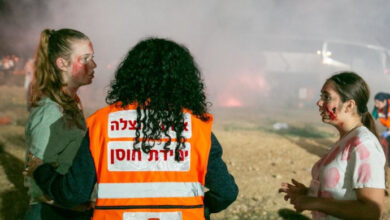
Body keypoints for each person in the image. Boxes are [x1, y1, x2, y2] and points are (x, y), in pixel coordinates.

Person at [28, 37, 238, 220]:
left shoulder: (102, 124)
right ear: (185, 80)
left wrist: (41, 170)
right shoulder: (197, 128)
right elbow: (227, 192)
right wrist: (203, 207)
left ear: (130, 75)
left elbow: (73, 193)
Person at [279, 72, 386, 219]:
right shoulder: (347, 139)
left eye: (326, 97)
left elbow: (371, 211)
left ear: (349, 105)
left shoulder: (363, 144)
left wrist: (315, 202)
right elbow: (342, 193)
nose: (319, 102)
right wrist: (307, 194)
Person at [24, 28, 97, 220]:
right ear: (62, 63)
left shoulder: (73, 104)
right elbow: (34, 175)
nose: (94, 65)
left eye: (92, 58)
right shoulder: (49, 112)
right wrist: (73, 205)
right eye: (85, 59)